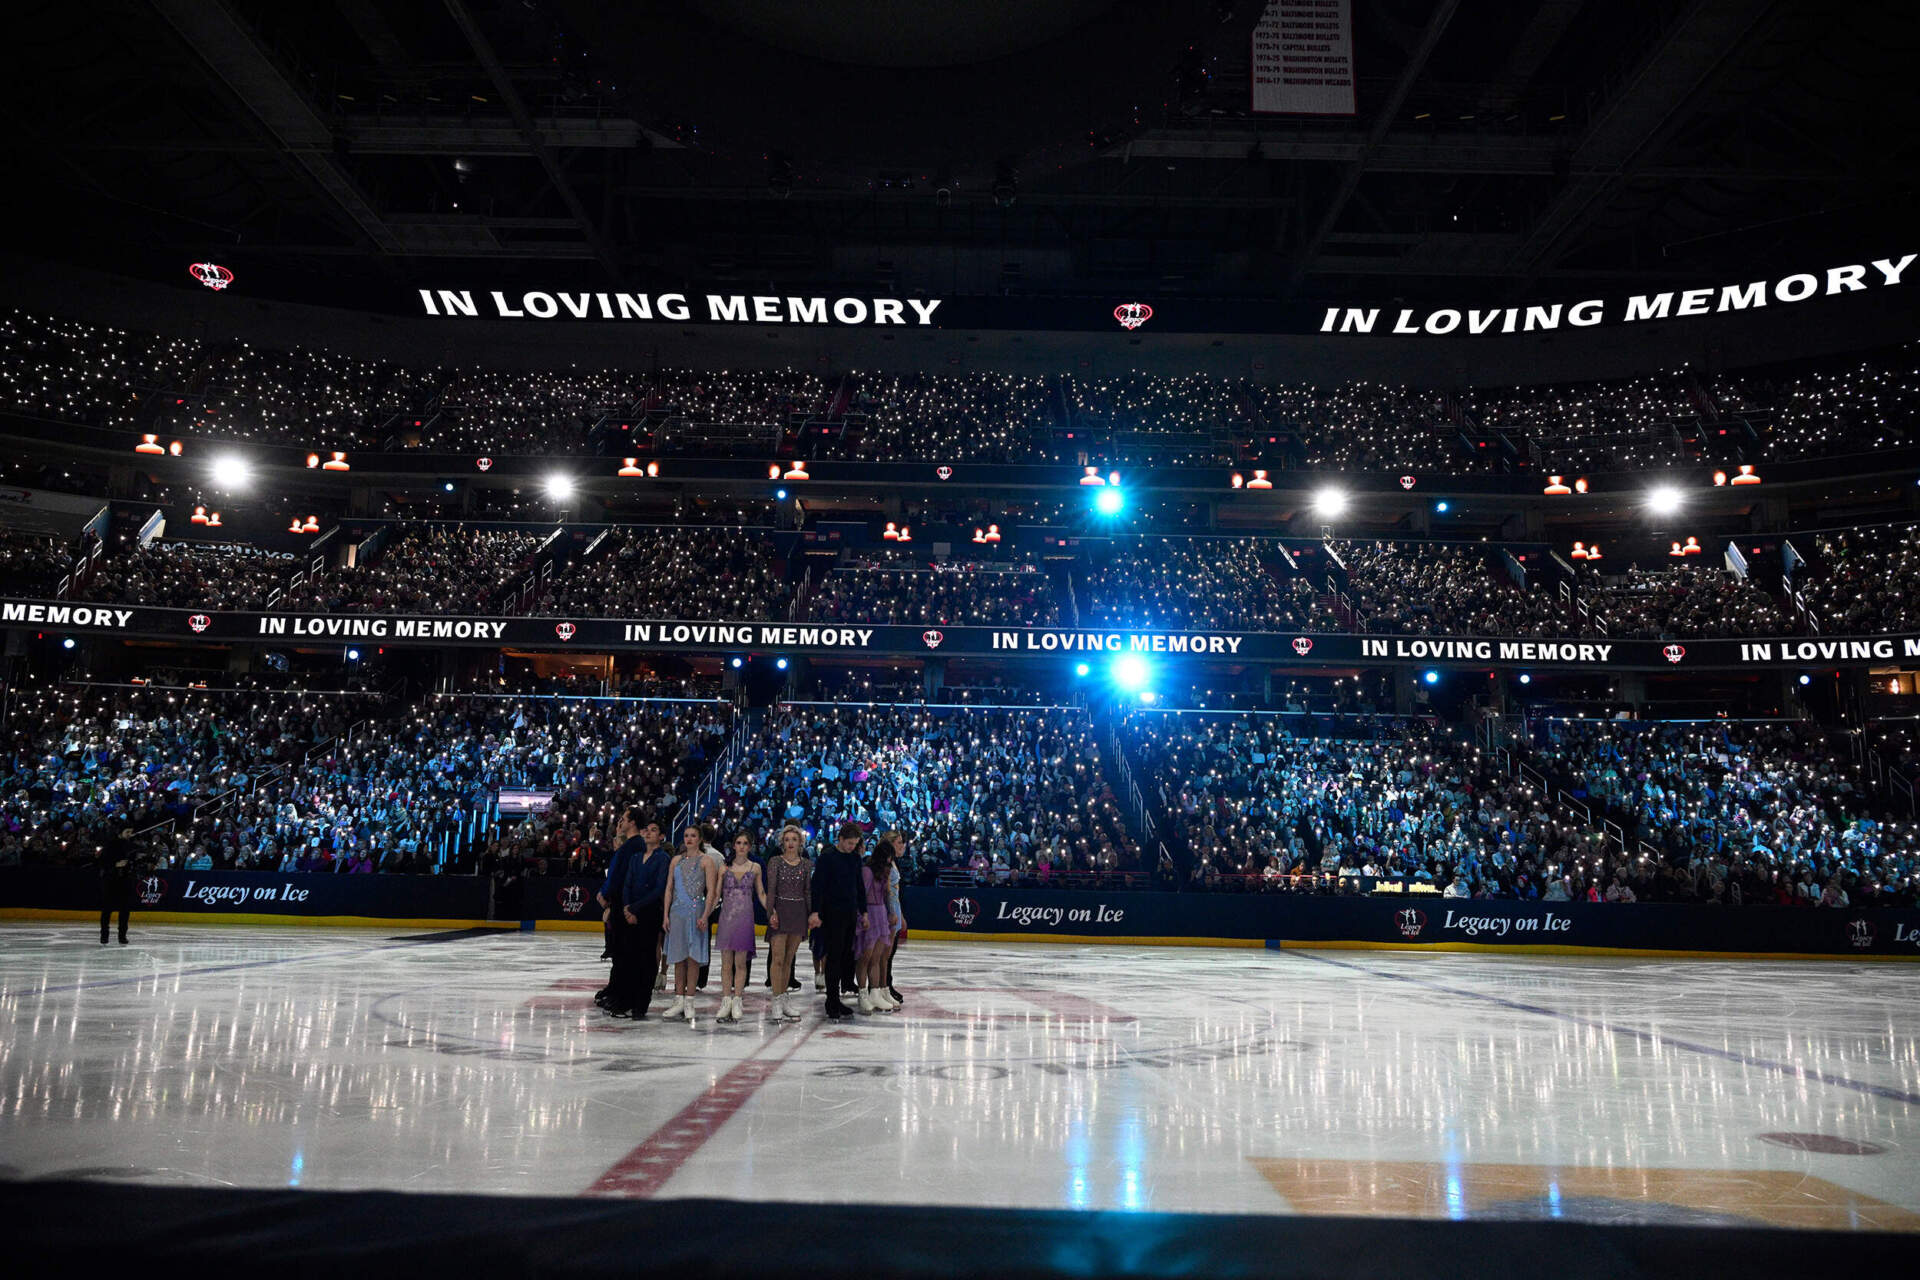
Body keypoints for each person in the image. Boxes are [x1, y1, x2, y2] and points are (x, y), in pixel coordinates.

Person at [613, 814, 672, 1018]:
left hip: (648, 914)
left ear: (662, 836)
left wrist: (635, 908)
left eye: (653, 830)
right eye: (646, 829)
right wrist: (627, 907)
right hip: (631, 913)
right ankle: (625, 1001)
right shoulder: (635, 857)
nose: (647, 832)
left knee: (646, 960)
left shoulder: (663, 859)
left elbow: (658, 889)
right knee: (630, 959)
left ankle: (640, 1005)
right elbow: (627, 883)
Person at [663, 825, 720, 1026]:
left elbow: (712, 892)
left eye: (693, 836)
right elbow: (669, 889)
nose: (688, 839)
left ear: (700, 839)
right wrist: (665, 915)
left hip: (697, 913)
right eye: (686, 835)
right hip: (676, 913)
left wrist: (706, 915)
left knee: (693, 956)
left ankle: (689, 1000)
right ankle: (678, 999)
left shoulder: (707, 861)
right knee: (678, 956)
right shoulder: (675, 861)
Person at [812, 821, 867, 1020]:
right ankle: (831, 1001)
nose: (852, 847)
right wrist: (815, 912)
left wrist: (864, 911)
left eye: (855, 843)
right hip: (831, 914)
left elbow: (859, 886)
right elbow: (817, 887)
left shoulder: (854, 858)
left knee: (845, 956)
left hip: (850, 913)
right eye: (849, 843)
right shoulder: (827, 858)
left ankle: (836, 998)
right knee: (833, 957)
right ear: (841, 839)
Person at [764, 824, 817, 1021]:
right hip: (780, 911)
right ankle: (776, 999)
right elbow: (771, 890)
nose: (790, 843)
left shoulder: (806, 864)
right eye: (787, 840)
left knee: (788, 959)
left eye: (794, 840)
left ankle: (784, 997)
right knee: (777, 958)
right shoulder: (775, 862)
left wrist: (811, 914)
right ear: (782, 843)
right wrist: (771, 912)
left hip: (798, 912)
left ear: (800, 842)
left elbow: (807, 891)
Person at [714, 832, 767, 1022]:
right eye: (739, 843)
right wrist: (704, 914)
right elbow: (715, 895)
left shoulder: (755, 867)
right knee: (726, 963)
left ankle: (737, 999)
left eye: (745, 843)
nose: (742, 846)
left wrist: (772, 911)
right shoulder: (723, 867)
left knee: (740, 963)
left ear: (750, 847)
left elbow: (761, 893)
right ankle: (726, 1000)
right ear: (734, 846)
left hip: (745, 918)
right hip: (726, 918)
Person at [595, 810, 643, 1010]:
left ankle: (623, 994)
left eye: (623, 819)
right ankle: (616, 989)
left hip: (624, 904)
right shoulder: (629, 846)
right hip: (619, 901)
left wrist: (606, 894)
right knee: (619, 950)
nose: (620, 822)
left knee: (624, 951)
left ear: (632, 822)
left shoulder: (634, 846)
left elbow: (621, 876)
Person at [854, 837, 901, 1013]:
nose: (890, 862)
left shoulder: (884, 872)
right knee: (865, 956)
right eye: (889, 857)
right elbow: (862, 894)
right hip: (869, 913)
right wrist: (862, 915)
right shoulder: (867, 871)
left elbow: (888, 893)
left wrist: (891, 912)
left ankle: (875, 992)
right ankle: (862, 993)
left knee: (876, 957)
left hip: (881, 914)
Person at [880, 828, 909, 1007]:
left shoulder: (893, 863)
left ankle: (886, 985)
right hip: (889, 914)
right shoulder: (886, 864)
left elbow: (895, 894)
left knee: (890, 954)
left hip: (895, 913)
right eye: (899, 843)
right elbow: (886, 892)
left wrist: (901, 915)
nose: (903, 846)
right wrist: (892, 913)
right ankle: (882, 986)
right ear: (890, 844)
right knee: (885, 955)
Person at [98, 828, 139, 946]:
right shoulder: (111, 845)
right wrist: (115, 864)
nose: (130, 834)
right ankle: (104, 935)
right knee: (107, 909)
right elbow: (101, 862)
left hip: (125, 880)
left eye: (131, 832)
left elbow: (135, 861)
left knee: (125, 910)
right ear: (120, 832)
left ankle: (122, 936)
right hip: (111, 880)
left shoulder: (132, 846)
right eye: (127, 832)